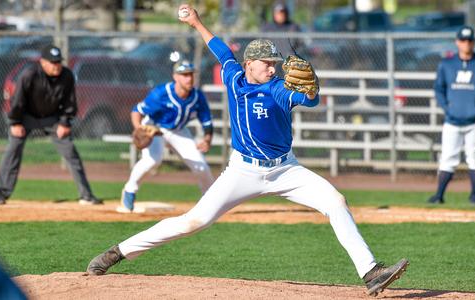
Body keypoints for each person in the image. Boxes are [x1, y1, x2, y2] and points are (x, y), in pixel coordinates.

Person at [87, 4, 408, 296]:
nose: (273, 67)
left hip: (286, 170)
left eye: (274, 63)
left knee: (336, 202)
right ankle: (119, 251)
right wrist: (197, 22)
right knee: (194, 221)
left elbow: (310, 101)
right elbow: (221, 49)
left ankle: (371, 273)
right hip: (243, 170)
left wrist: (313, 88)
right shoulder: (235, 78)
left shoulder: (280, 89)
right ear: (249, 64)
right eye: (267, 63)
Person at [0, 45, 101, 206]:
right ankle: (0, 194)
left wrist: (65, 122)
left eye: (58, 62)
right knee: (13, 151)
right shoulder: (29, 75)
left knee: (70, 152)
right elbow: (17, 101)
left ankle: (86, 195)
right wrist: (15, 122)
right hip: (26, 117)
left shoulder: (67, 76)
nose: (56, 65)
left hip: (53, 119)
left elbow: (70, 102)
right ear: (43, 62)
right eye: (52, 62)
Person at [118, 59, 214, 213]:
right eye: (184, 75)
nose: (189, 78)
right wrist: (139, 128)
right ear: (175, 76)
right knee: (152, 160)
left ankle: (211, 200)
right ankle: (129, 190)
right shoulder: (161, 94)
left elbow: (207, 121)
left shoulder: (197, 97)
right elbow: (137, 110)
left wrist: (207, 139)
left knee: (200, 166)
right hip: (155, 128)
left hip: (178, 131)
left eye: (190, 74)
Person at [428, 26, 475, 205]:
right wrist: (447, 108)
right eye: (463, 40)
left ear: (474, 42)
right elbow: (439, 88)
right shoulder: (447, 64)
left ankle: (474, 195)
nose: (466, 43)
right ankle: (439, 195)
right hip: (452, 120)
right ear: (457, 42)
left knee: (474, 157)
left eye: (469, 40)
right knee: (448, 157)